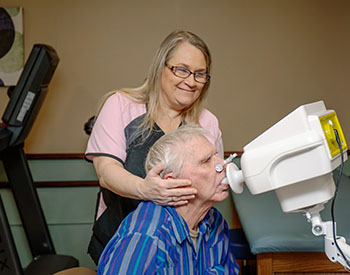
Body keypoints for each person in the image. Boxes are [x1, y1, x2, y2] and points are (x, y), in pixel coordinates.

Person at [85, 30, 224, 264]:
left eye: (200, 74)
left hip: (184, 244)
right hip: (122, 242)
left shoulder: (207, 122)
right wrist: (145, 189)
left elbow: (214, 179)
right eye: (182, 70)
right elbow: (106, 172)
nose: (191, 81)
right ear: (161, 67)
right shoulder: (121, 106)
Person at [97, 124, 239, 274]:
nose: (222, 164)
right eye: (206, 161)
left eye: (216, 155)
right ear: (173, 182)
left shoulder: (215, 222)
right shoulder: (146, 237)